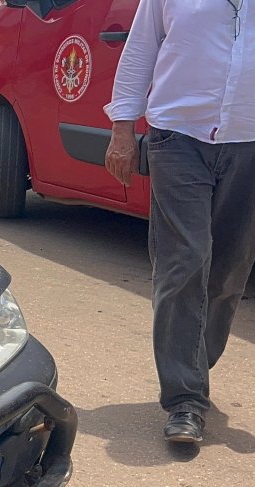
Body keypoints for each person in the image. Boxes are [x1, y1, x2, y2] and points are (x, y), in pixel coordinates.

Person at [104, 0, 255, 443]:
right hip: (177, 138)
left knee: (230, 271)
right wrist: (122, 129)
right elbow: (139, 51)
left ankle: (189, 363)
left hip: (249, 142)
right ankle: (185, 398)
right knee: (184, 260)